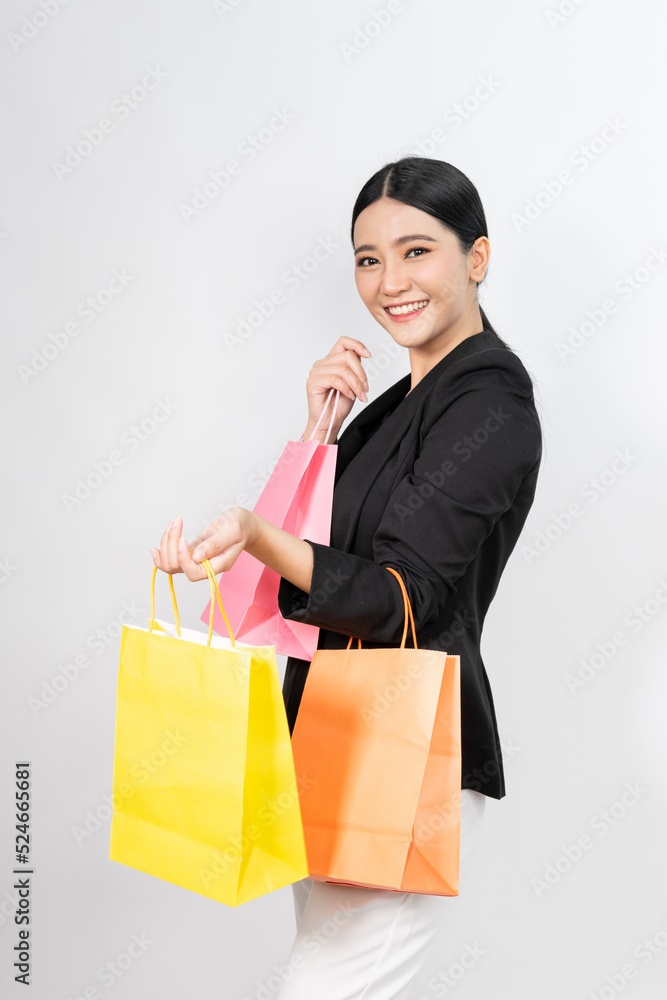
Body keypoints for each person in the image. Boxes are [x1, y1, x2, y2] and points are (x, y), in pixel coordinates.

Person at [152, 156, 543, 999]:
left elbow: (399, 598)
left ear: (476, 258)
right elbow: (293, 601)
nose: (389, 281)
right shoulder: (395, 408)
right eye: (368, 258)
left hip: (405, 762)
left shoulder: (489, 407)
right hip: (333, 741)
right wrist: (317, 436)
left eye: (415, 251)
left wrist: (254, 532)